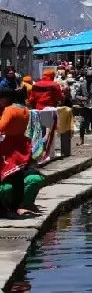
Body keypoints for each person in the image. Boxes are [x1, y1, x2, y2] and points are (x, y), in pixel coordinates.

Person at [0, 87, 34, 217]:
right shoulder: (24, 110)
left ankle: (4, 209)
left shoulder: (9, 110)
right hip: (21, 147)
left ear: (5, 98)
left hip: (7, 149)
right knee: (17, 179)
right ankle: (15, 208)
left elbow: (2, 127)